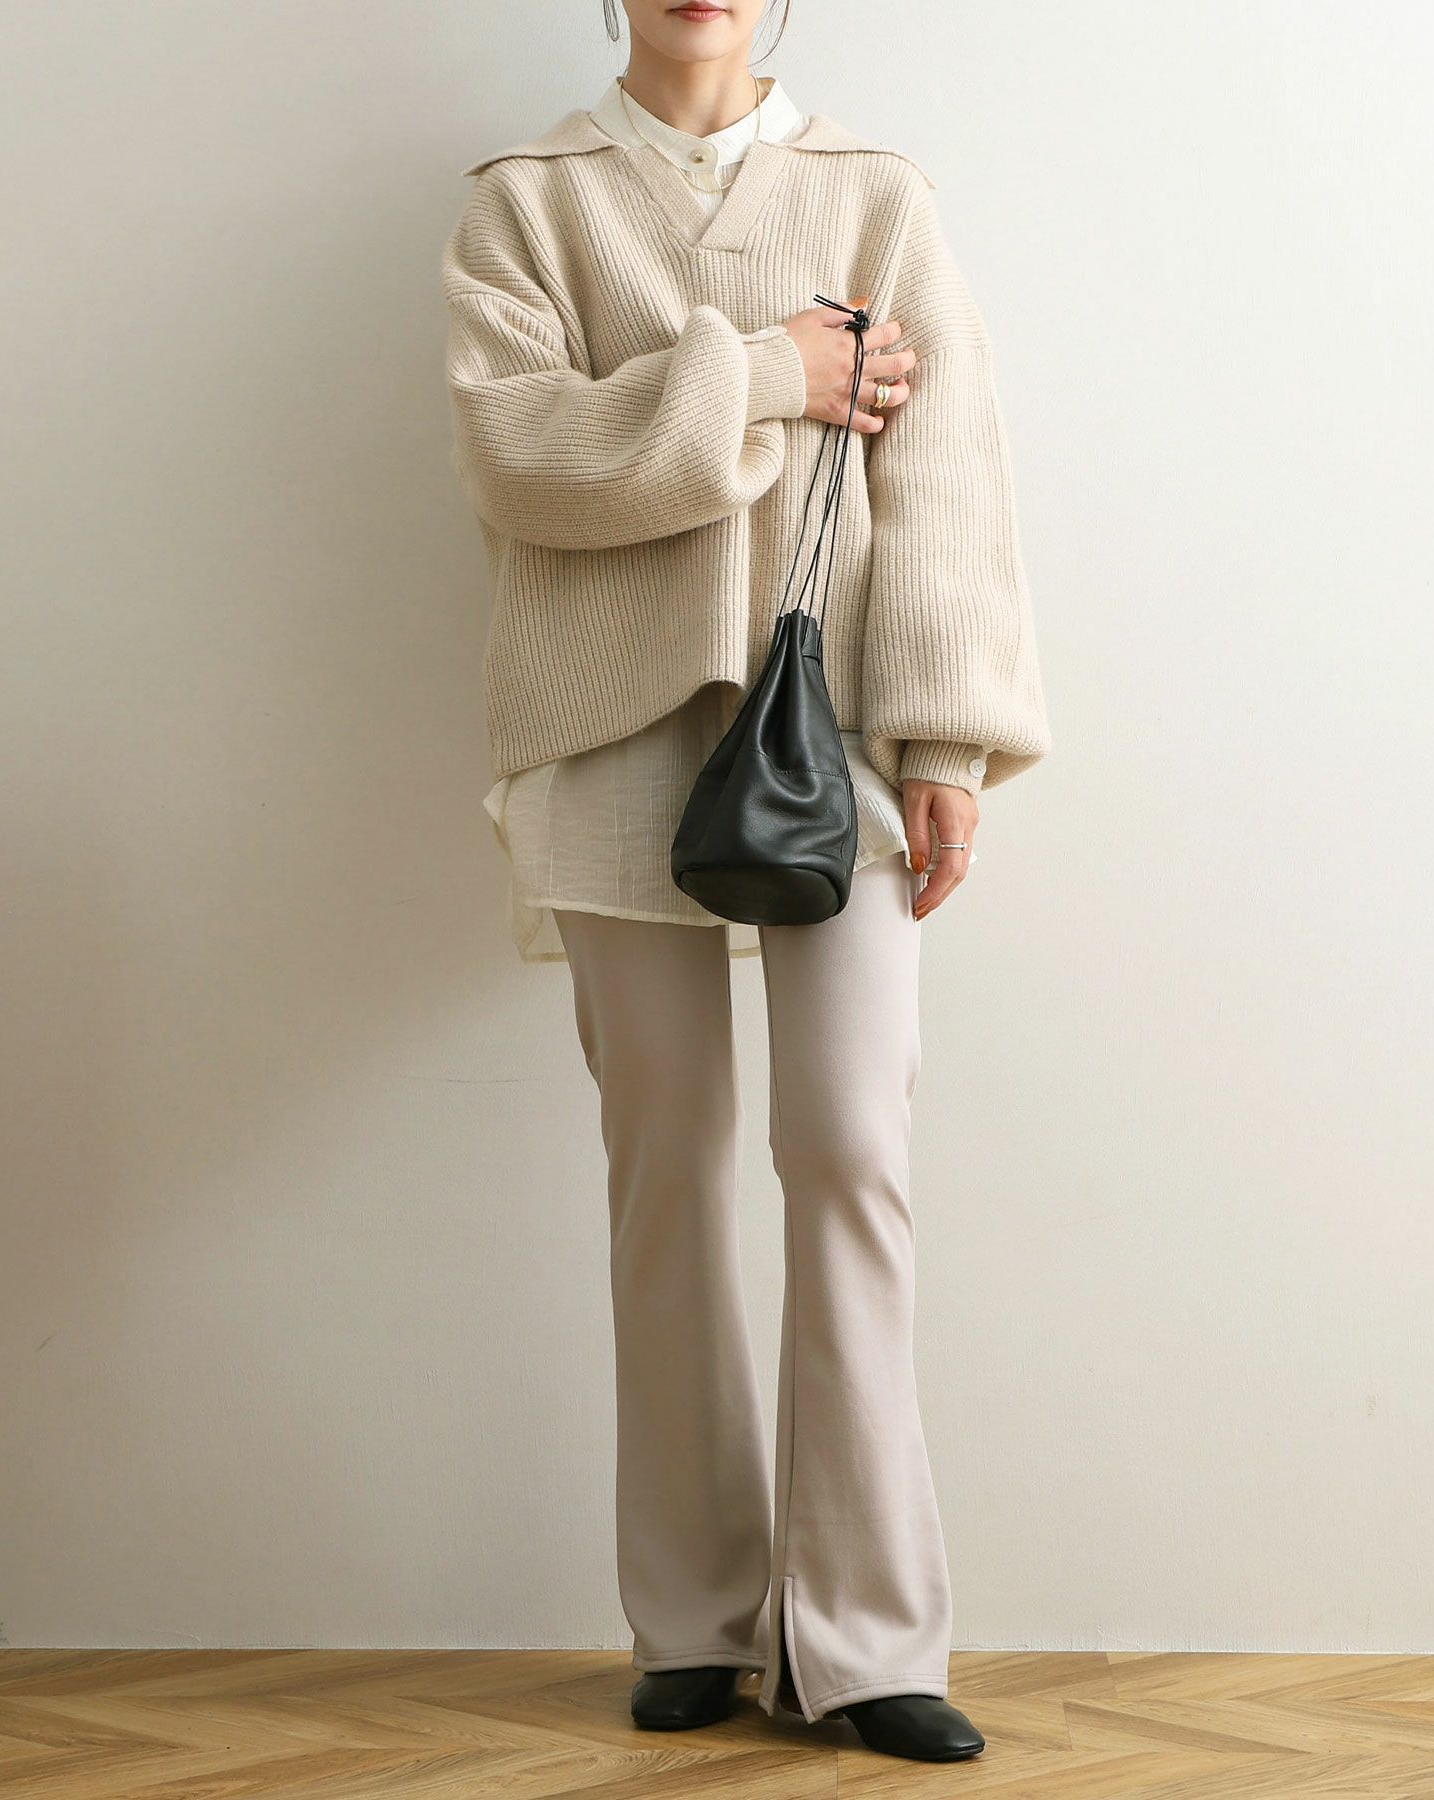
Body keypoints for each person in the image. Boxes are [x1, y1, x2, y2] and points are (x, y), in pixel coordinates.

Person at [441, 0, 1051, 1766]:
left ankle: (866, 1639)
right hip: (607, 727)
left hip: (835, 729)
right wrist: (777, 372)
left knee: (849, 1150)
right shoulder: (526, 200)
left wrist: (945, 743)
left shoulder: (875, 193)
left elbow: (944, 480)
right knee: (669, 1169)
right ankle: (696, 1622)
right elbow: (526, 462)